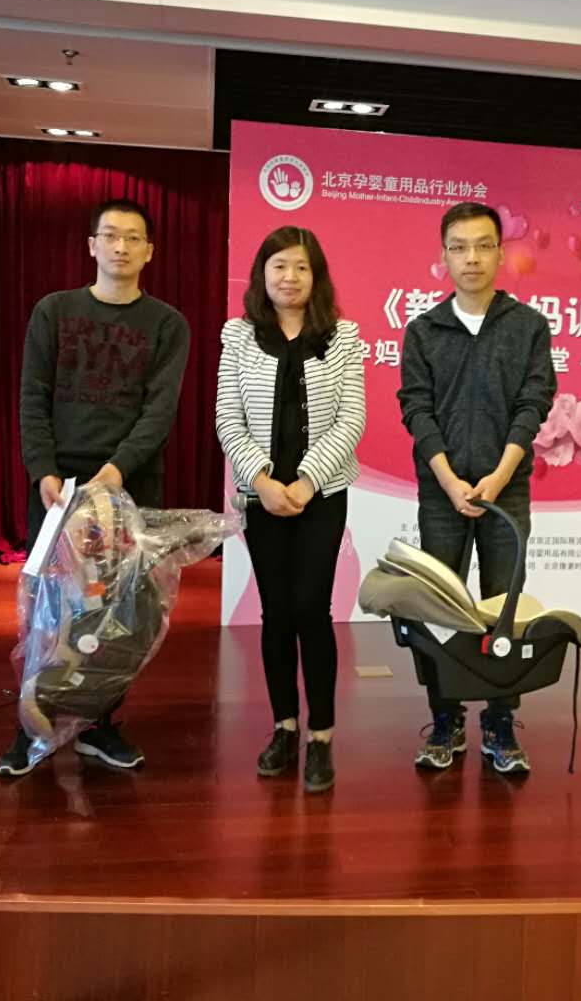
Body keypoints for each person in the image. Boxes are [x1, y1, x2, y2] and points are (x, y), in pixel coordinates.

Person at [0, 197, 190, 777]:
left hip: (130, 483)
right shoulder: (54, 311)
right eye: (110, 236)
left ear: (149, 251)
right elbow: (32, 396)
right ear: (91, 246)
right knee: (49, 609)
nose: (121, 247)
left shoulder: (167, 324)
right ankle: (30, 724)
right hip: (59, 484)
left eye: (133, 238)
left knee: (120, 611)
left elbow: (159, 410)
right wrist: (44, 470)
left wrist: (118, 471)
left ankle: (98, 723)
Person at [397, 202, 556, 775]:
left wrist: (499, 475)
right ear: (443, 256)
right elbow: (416, 410)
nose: (471, 258)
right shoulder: (424, 331)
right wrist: (448, 478)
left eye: (483, 245)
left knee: (502, 608)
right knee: (440, 606)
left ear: (500, 252)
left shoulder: (527, 326)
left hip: (504, 490)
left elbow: (533, 403)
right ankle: (444, 719)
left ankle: (499, 721)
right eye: (459, 247)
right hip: (442, 492)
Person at [216, 226, 365, 793]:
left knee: (310, 609)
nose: (290, 277)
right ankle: (284, 727)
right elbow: (227, 417)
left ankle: (321, 734)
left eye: (301, 267)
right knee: (275, 611)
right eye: (279, 265)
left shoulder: (342, 336)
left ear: (316, 275)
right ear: (263, 273)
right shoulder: (238, 336)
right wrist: (262, 480)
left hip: (320, 497)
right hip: (262, 497)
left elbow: (351, 420)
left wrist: (304, 483)